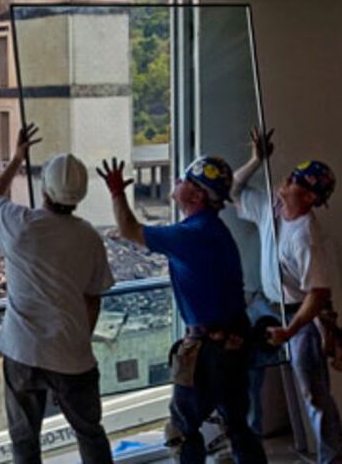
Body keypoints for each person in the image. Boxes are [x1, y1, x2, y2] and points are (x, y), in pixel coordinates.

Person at [98, 156, 267, 464]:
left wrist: (116, 192)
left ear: (197, 195)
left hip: (209, 350)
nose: (176, 183)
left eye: (182, 180)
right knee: (237, 425)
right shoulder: (212, 230)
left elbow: (128, 228)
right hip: (233, 340)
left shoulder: (192, 235)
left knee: (183, 428)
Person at [0, 123, 115, 464]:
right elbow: (92, 297)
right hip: (71, 353)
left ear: (45, 189)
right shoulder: (89, 238)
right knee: (89, 433)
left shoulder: (21, 226)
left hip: (22, 349)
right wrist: (79, 340)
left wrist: (17, 159)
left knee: (25, 441)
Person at [231, 128, 342, 464]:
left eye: (296, 180)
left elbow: (318, 293)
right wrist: (256, 160)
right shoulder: (272, 207)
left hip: (300, 313)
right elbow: (233, 189)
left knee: (314, 393)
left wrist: (291, 330)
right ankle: (249, 452)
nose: (286, 180)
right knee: (247, 375)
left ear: (310, 197)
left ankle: (332, 457)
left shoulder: (306, 236)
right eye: (292, 174)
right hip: (267, 305)